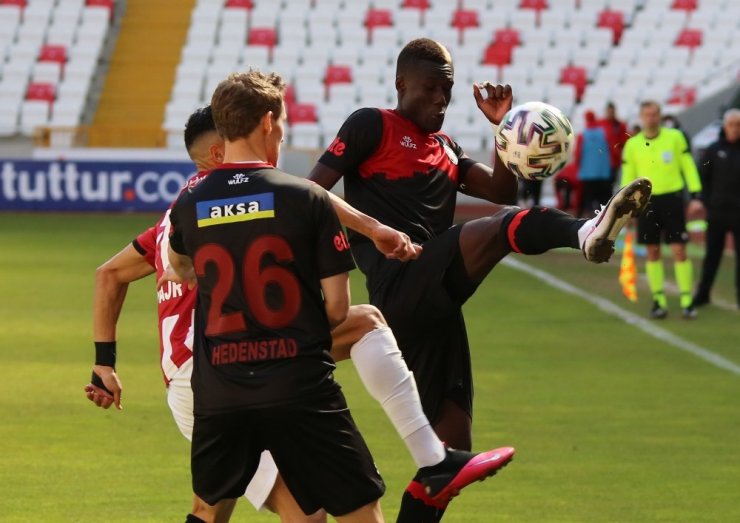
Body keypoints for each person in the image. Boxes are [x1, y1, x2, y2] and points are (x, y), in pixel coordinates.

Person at [88, 94, 513, 521]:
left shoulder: (179, 214)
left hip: (208, 373)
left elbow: (109, 273)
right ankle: (432, 458)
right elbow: (305, 196)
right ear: (221, 151)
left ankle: (434, 460)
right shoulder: (237, 196)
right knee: (363, 327)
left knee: (213, 510)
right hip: (222, 366)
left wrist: (103, 364)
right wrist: (374, 229)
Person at [308, 38, 652, 523]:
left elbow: (498, 189)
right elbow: (310, 193)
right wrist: (363, 234)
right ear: (401, 84)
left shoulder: (447, 148)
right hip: (400, 283)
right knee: (505, 227)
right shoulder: (372, 124)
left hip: (437, 306)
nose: (440, 101)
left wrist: (504, 130)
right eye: (429, 89)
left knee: (450, 455)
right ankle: (584, 230)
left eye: (446, 91)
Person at [621, 100, 703, 319]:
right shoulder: (633, 145)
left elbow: (688, 166)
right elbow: (628, 178)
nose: (651, 118)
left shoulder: (675, 138)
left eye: (655, 114)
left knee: (679, 250)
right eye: (647, 114)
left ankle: (687, 300)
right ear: (641, 117)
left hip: (672, 199)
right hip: (647, 203)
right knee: (652, 251)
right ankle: (659, 300)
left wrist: (696, 194)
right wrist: (626, 206)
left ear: (660, 116)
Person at [693, 108, 740, 309]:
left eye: (738, 125)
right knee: (712, 256)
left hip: (739, 213)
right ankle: (703, 294)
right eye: (732, 124)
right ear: (725, 126)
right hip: (717, 212)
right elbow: (703, 177)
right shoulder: (712, 150)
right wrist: (702, 200)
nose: (735, 129)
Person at [576, 110, 612, 217]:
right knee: (604, 202)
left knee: (589, 200)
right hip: (603, 172)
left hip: (587, 174)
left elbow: (578, 154)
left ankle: (590, 223)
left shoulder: (583, 135)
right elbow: (611, 150)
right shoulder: (604, 133)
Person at [598, 101, 628, 185]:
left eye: (612, 111)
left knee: (612, 183)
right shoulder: (600, 124)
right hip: (602, 159)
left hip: (614, 160)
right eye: (609, 111)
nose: (610, 113)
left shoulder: (620, 125)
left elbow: (624, 142)